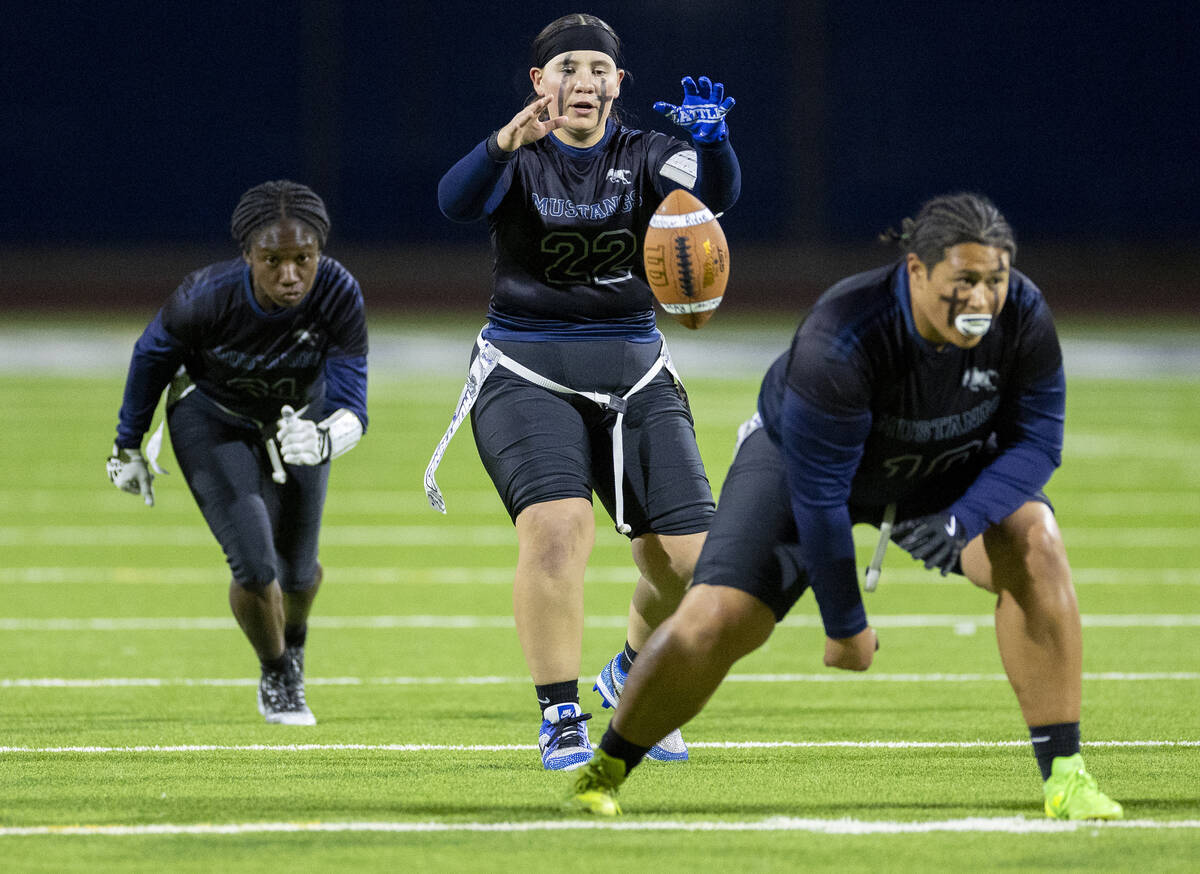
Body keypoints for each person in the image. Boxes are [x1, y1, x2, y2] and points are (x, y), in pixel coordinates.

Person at [570, 192, 1123, 820]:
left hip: (938, 469)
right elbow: (820, 495)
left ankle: (1066, 777)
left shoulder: (1021, 313)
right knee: (718, 618)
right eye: (963, 281)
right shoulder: (843, 332)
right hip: (805, 468)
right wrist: (845, 625)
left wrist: (960, 520)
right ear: (917, 270)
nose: (980, 299)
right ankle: (608, 764)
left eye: (994, 281)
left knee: (1036, 543)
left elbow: (1038, 441)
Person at [427, 12, 741, 770]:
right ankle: (560, 713)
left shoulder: (649, 154)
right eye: (567, 66)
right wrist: (504, 140)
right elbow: (454, 201)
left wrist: (713, 142)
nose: (584, 81)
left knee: (691, 565)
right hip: (525, 371)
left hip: (632, 371)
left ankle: (632, 670)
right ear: (540, 82)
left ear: (617, 85)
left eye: (598, 69)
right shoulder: (515, 156)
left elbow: (716, 198)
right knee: (559, 530)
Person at [106, 180, 369, 726]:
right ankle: (277, 674)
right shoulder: (205, 296)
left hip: (301, 421)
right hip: (214, 421)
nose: (290, 274)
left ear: (320, 253)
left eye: (304, 258)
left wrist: (324, 437)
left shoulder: (338, 292)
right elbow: (151, 356)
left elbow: (353, 403)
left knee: (299, 574)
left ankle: (292, 643)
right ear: (247, 254)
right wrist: (127, 442)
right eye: (273, 260)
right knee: (254, 564)